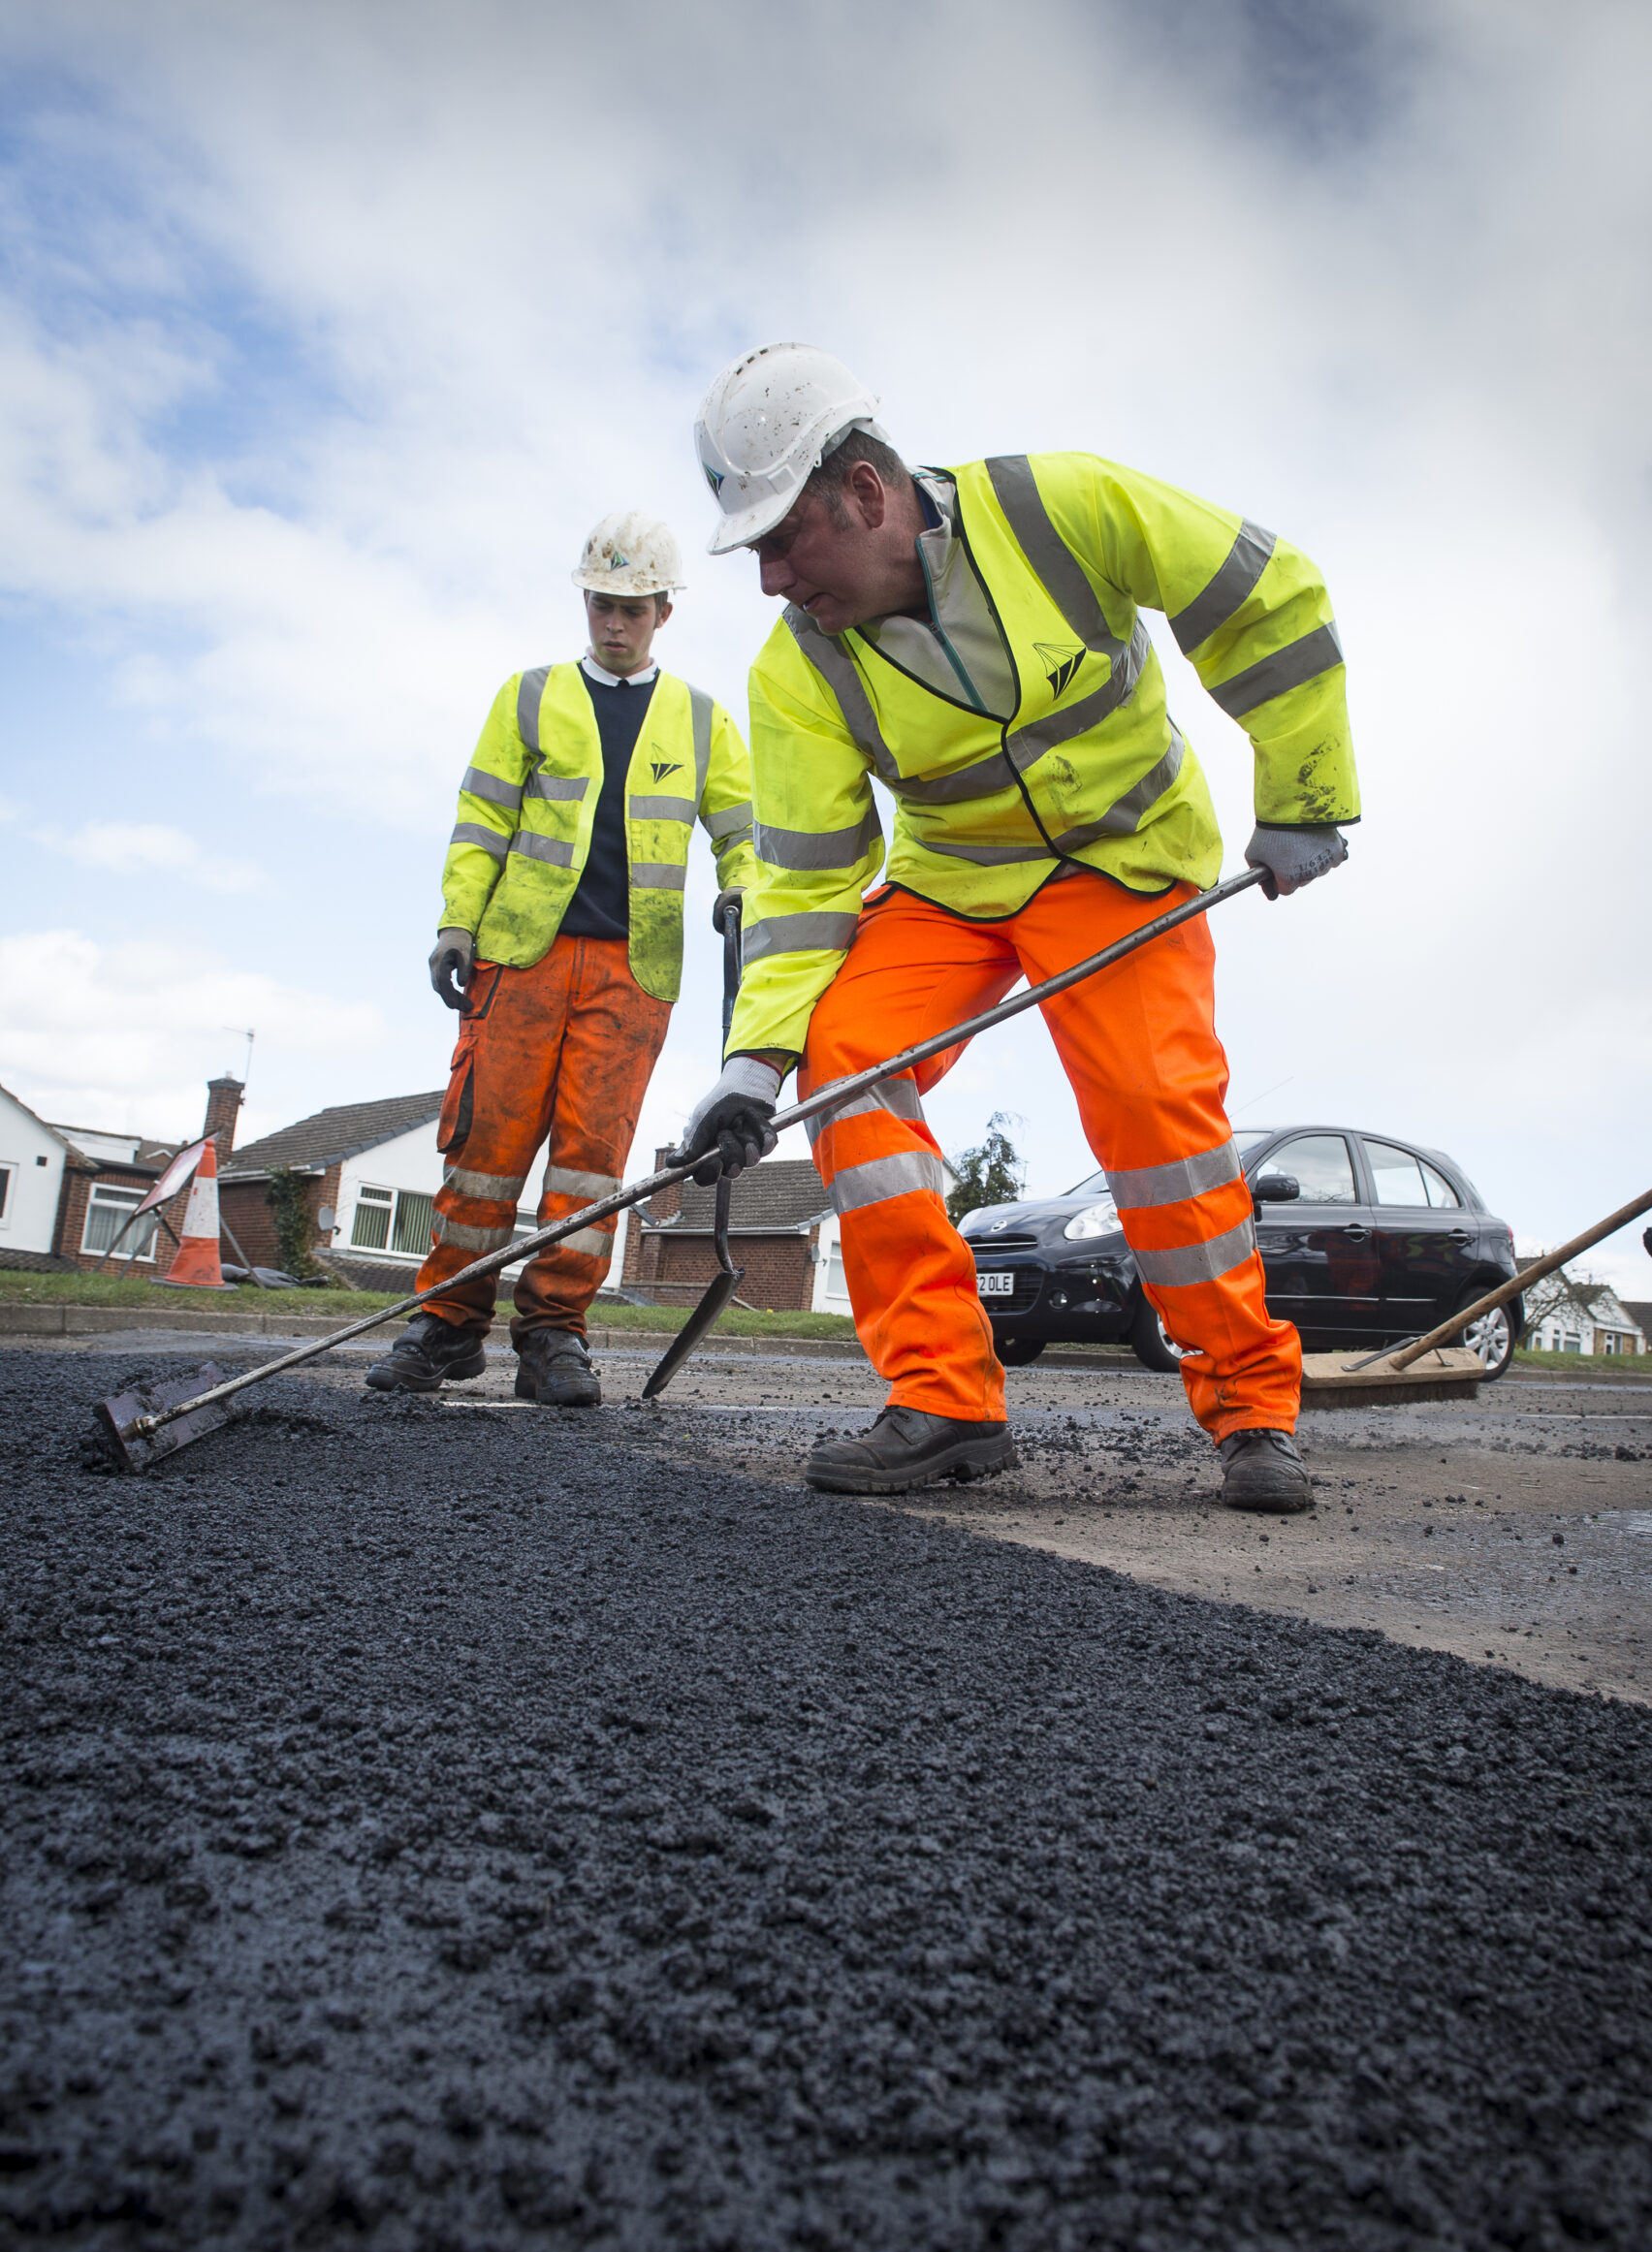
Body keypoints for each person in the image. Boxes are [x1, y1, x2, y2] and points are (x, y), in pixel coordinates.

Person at [676, 345, 1357, 1509]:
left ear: (869, 495)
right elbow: (804, 881)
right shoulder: (798, 672)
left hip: (1123, 864)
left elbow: (1267, 594)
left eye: (786, 539)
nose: (774, 579)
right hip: (956, 882)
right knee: (848, 1060)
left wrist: (1303, 794)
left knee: (1156, 1120)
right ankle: (944, 1397)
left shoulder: (1060, 509)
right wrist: (754, 1062)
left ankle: (1250, 1406)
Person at [369, 512, 755, 1407]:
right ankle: (448, 1323)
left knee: (590, 1164)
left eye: (631, 607)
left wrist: (742, 889)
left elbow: (744, 831)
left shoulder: (702, 722)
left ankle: (553, 1334)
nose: (613, 622)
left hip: (633, 972)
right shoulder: (529, 696)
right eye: (599, 605)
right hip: (521, 959)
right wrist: (456, 923)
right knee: (485, 1151)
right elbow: (482, 821)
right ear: (585, 603)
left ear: (664, 610)